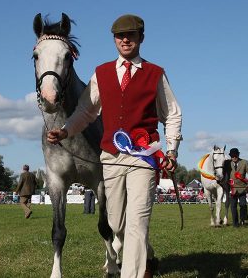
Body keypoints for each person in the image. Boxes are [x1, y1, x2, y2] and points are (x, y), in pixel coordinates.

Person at [47, 14, 182, 278]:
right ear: (114, 40)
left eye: (131, 35)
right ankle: (147, 260)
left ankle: (133, 272)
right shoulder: (102, 73)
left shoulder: (156, 74)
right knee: (116, 222)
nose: (125, 40)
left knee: (137, 222)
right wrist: (65, 131)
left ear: (141, 38)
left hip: (144, 157)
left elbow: (173, 114)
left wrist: (171, 150)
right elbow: (86, 111)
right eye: (120, 36)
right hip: (111, 156)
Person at [227, 148, 248, 227]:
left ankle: (242, 219)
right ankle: (235, 224)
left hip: (242, 188)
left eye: (235, 156)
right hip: (232, 189)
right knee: (233, 207)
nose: (234, 157)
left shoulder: (244, 162)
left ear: (238, 155)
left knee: (243, 205)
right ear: (230, 156)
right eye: (232, 156)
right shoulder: (227, 163)